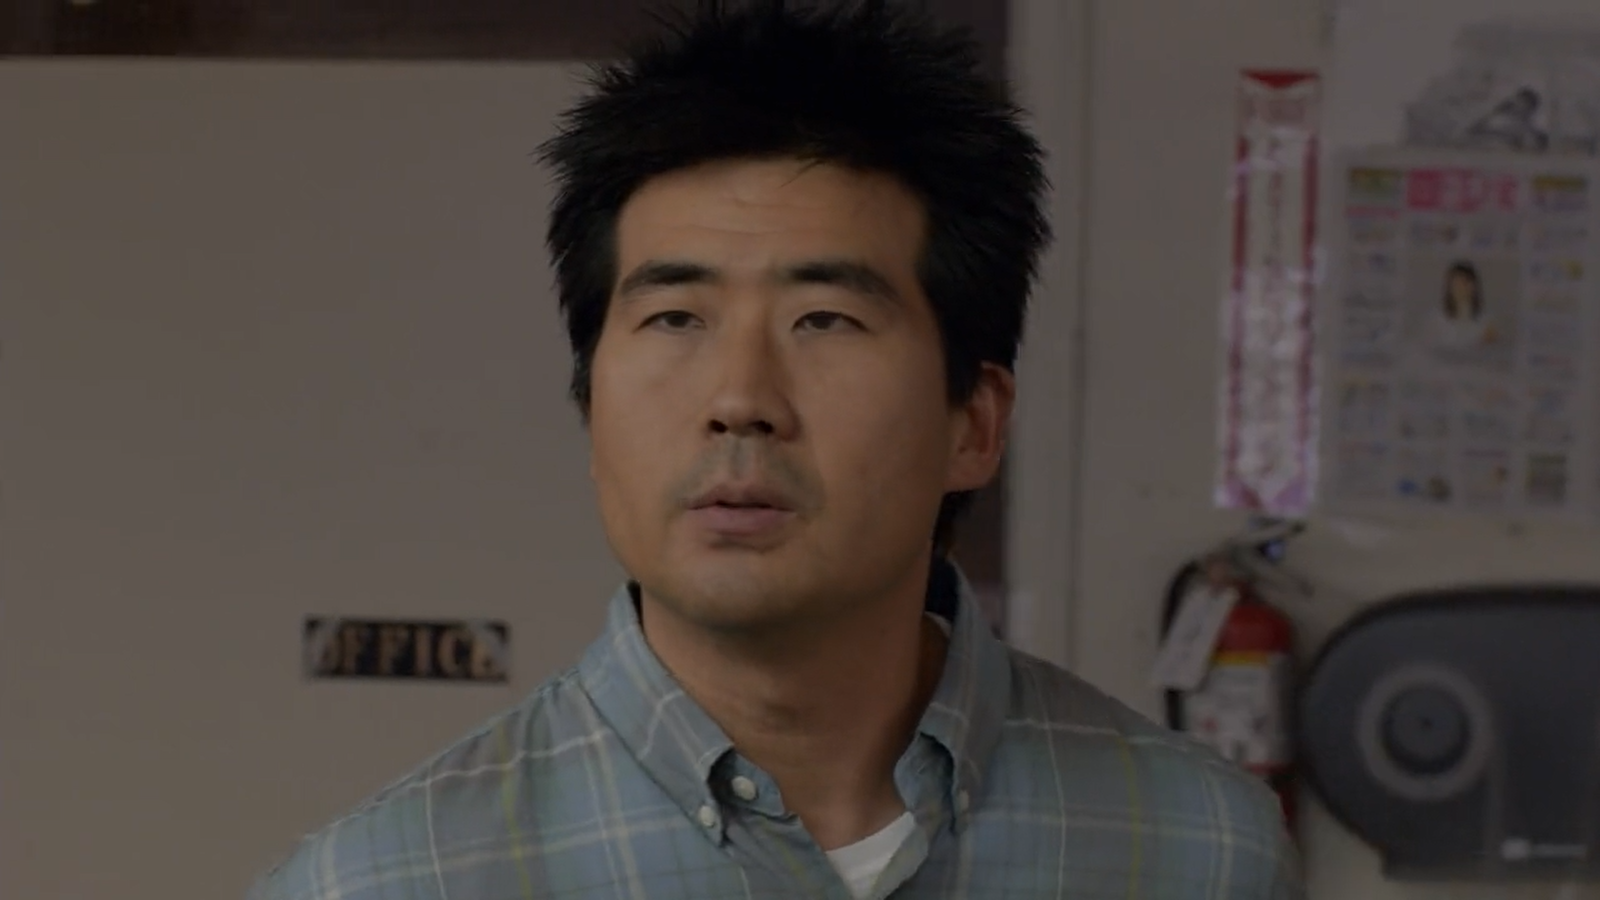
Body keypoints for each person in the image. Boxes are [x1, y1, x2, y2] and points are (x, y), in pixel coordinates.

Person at [248, 2, 1302, 897]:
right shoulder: (387, 881)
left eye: (825, 320)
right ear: (590, 409)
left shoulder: (1199, 851)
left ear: (973, 424)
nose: (739, 400)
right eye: (675, 319)